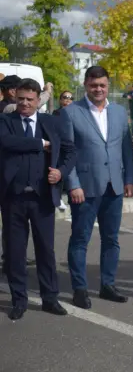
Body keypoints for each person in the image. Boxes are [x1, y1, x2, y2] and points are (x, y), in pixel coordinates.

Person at [61, 66, 133, 310]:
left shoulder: (118, 112)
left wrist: (130, 179)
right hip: (85, 187)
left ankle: (108, 285)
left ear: (108, 85)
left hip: (114, 186)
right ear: (85, 85)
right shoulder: (71, 112)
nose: (98, 89)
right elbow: (67, 152)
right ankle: (80, 289)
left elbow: (126, 148)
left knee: (111, 239)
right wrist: (73, 184)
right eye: (94, 85)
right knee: (80, 239)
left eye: (103, 85)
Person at [0, 78, 76, 320]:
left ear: (38, 100)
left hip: (43, 198)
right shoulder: (6, 121)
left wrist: (61, 172)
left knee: (46, 250)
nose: (24, 103)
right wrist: (40, 144)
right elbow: (6, 142)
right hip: (13, 198)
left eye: (29, 99)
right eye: (20, 98)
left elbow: (70, 150)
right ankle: (19, 300)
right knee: (15, 252)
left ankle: (50, 298)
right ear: (15, 97)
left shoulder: (50, 122)